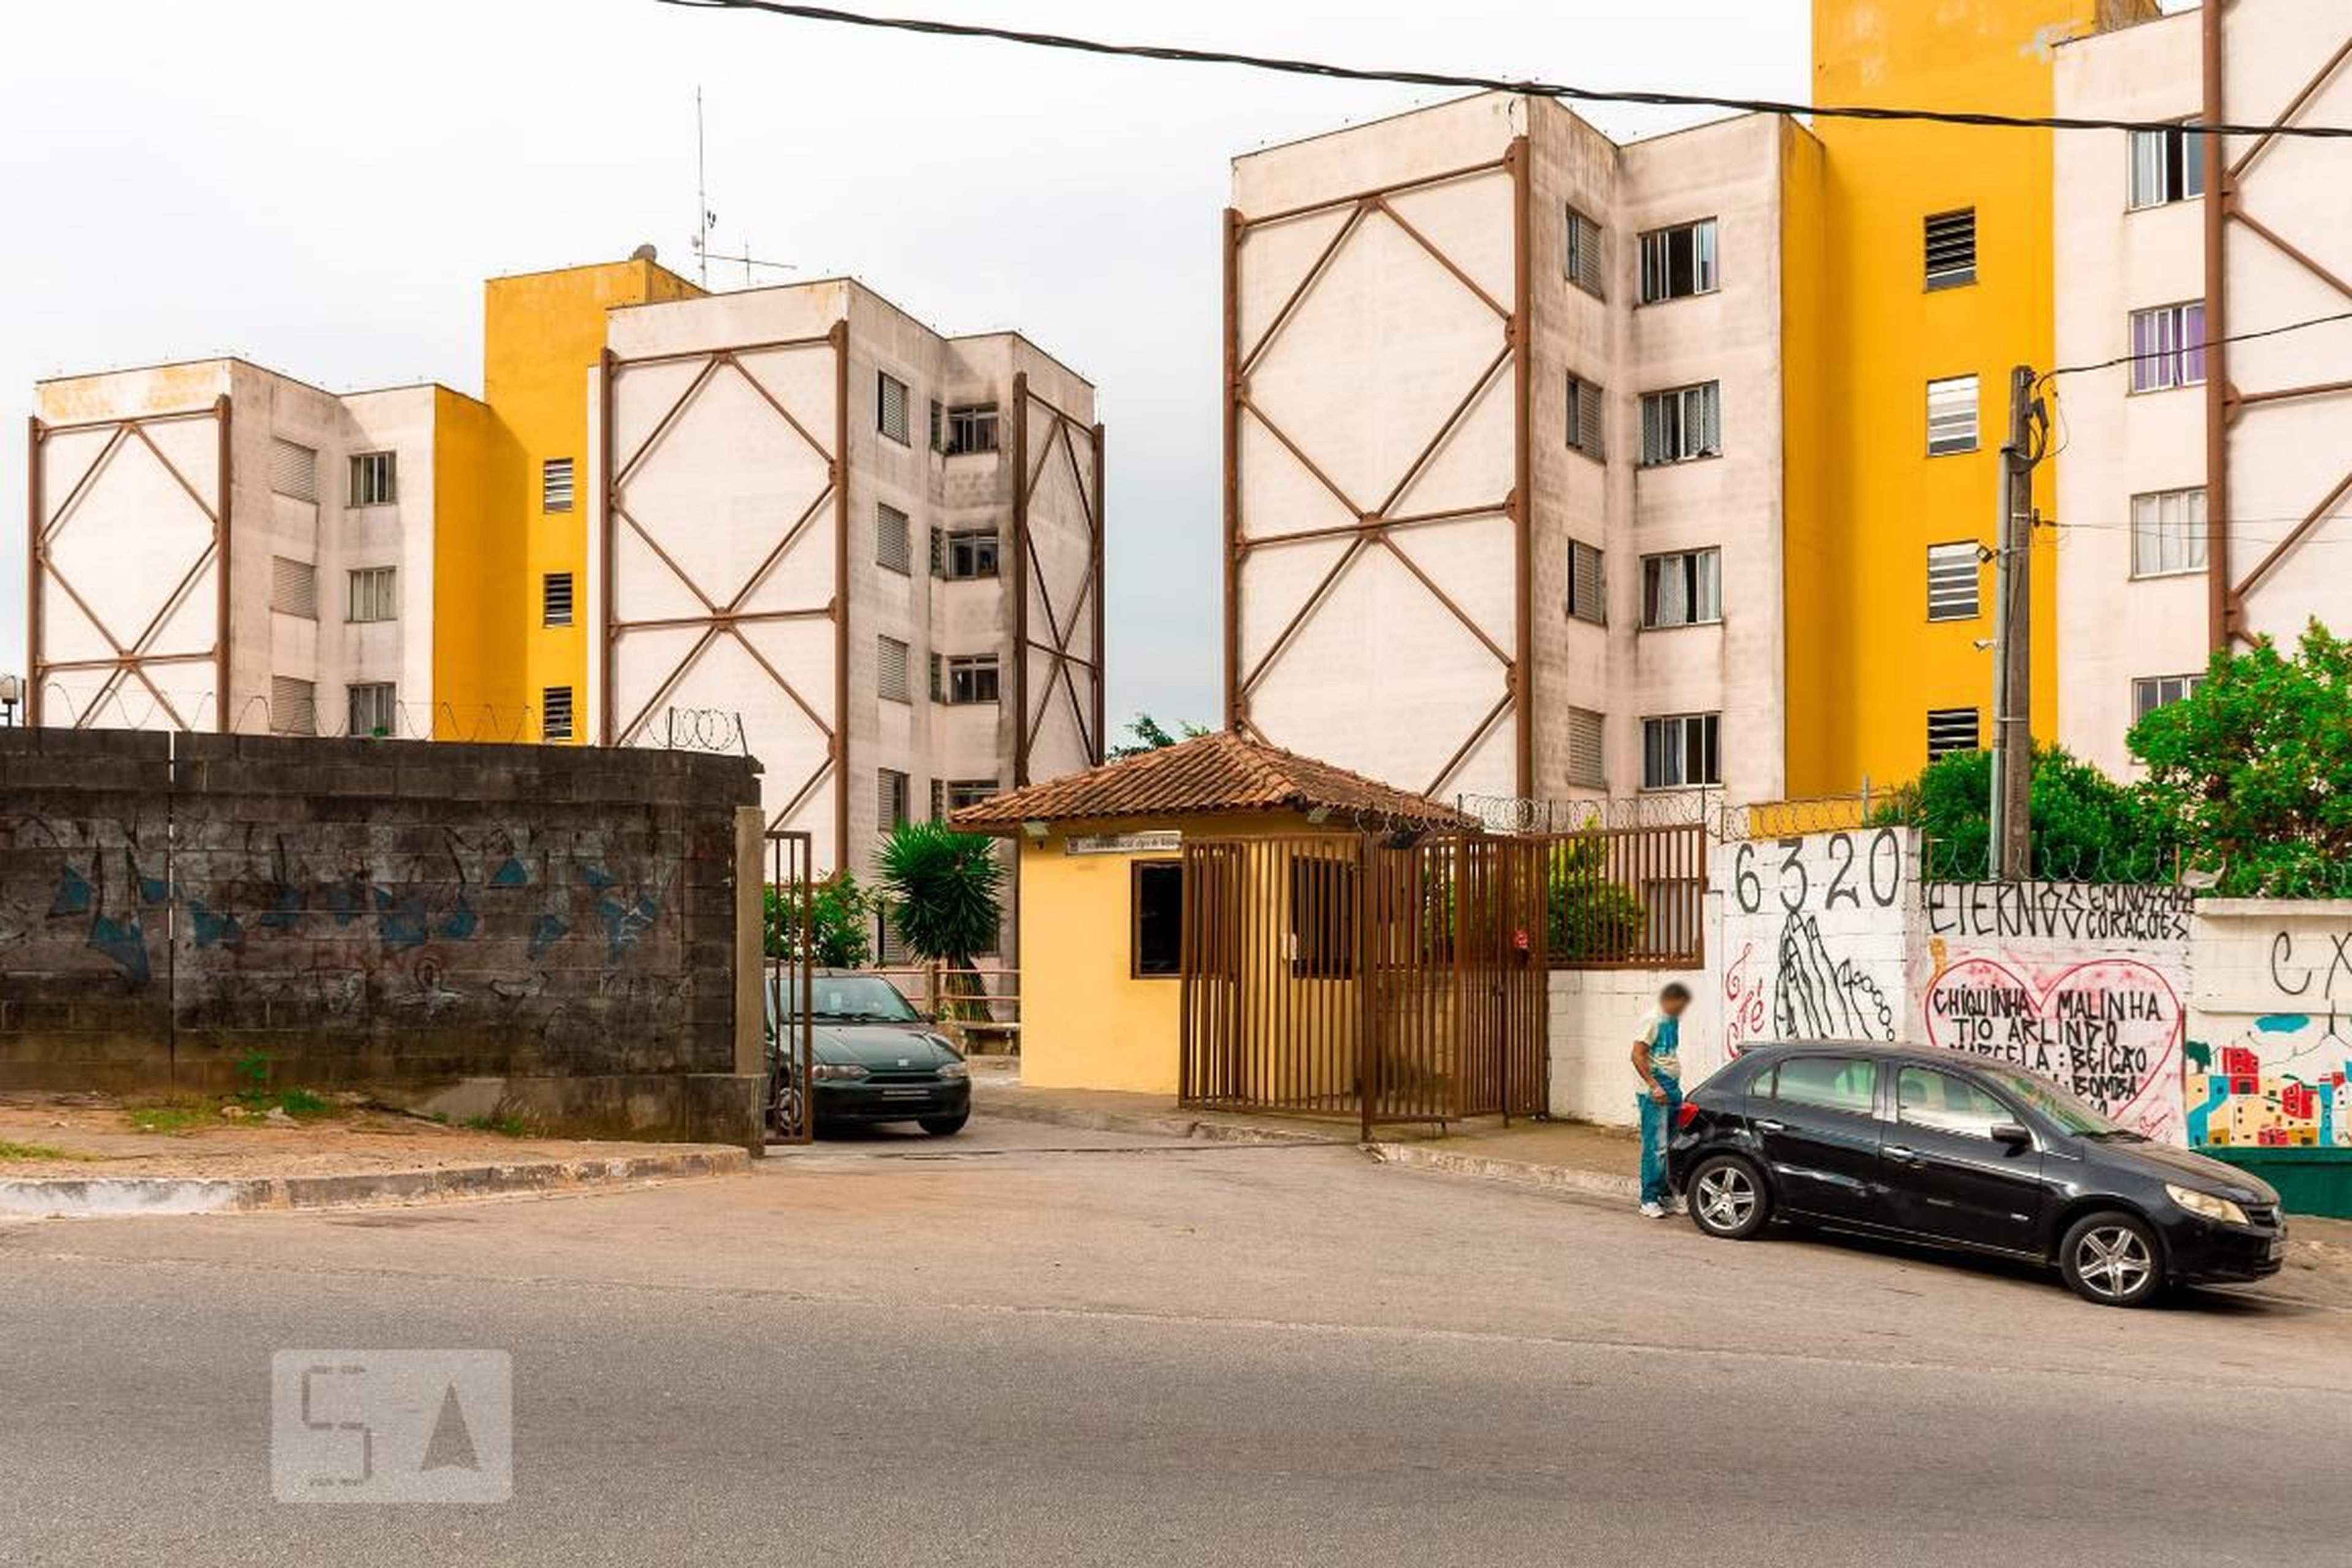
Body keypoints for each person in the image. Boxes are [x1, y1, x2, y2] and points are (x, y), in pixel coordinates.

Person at [1632, 982, 1692, 1219]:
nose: (1682, 1010)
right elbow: (1637, 1054)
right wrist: (1654, 1086)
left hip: (1672, 1087)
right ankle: (1648, 1199)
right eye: (1680, 1005)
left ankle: (1666, 1195)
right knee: (1655, 1146)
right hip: (1656, 1089)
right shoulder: (1652, 1020)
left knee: (1671, 1144)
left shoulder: (1672, 1019)